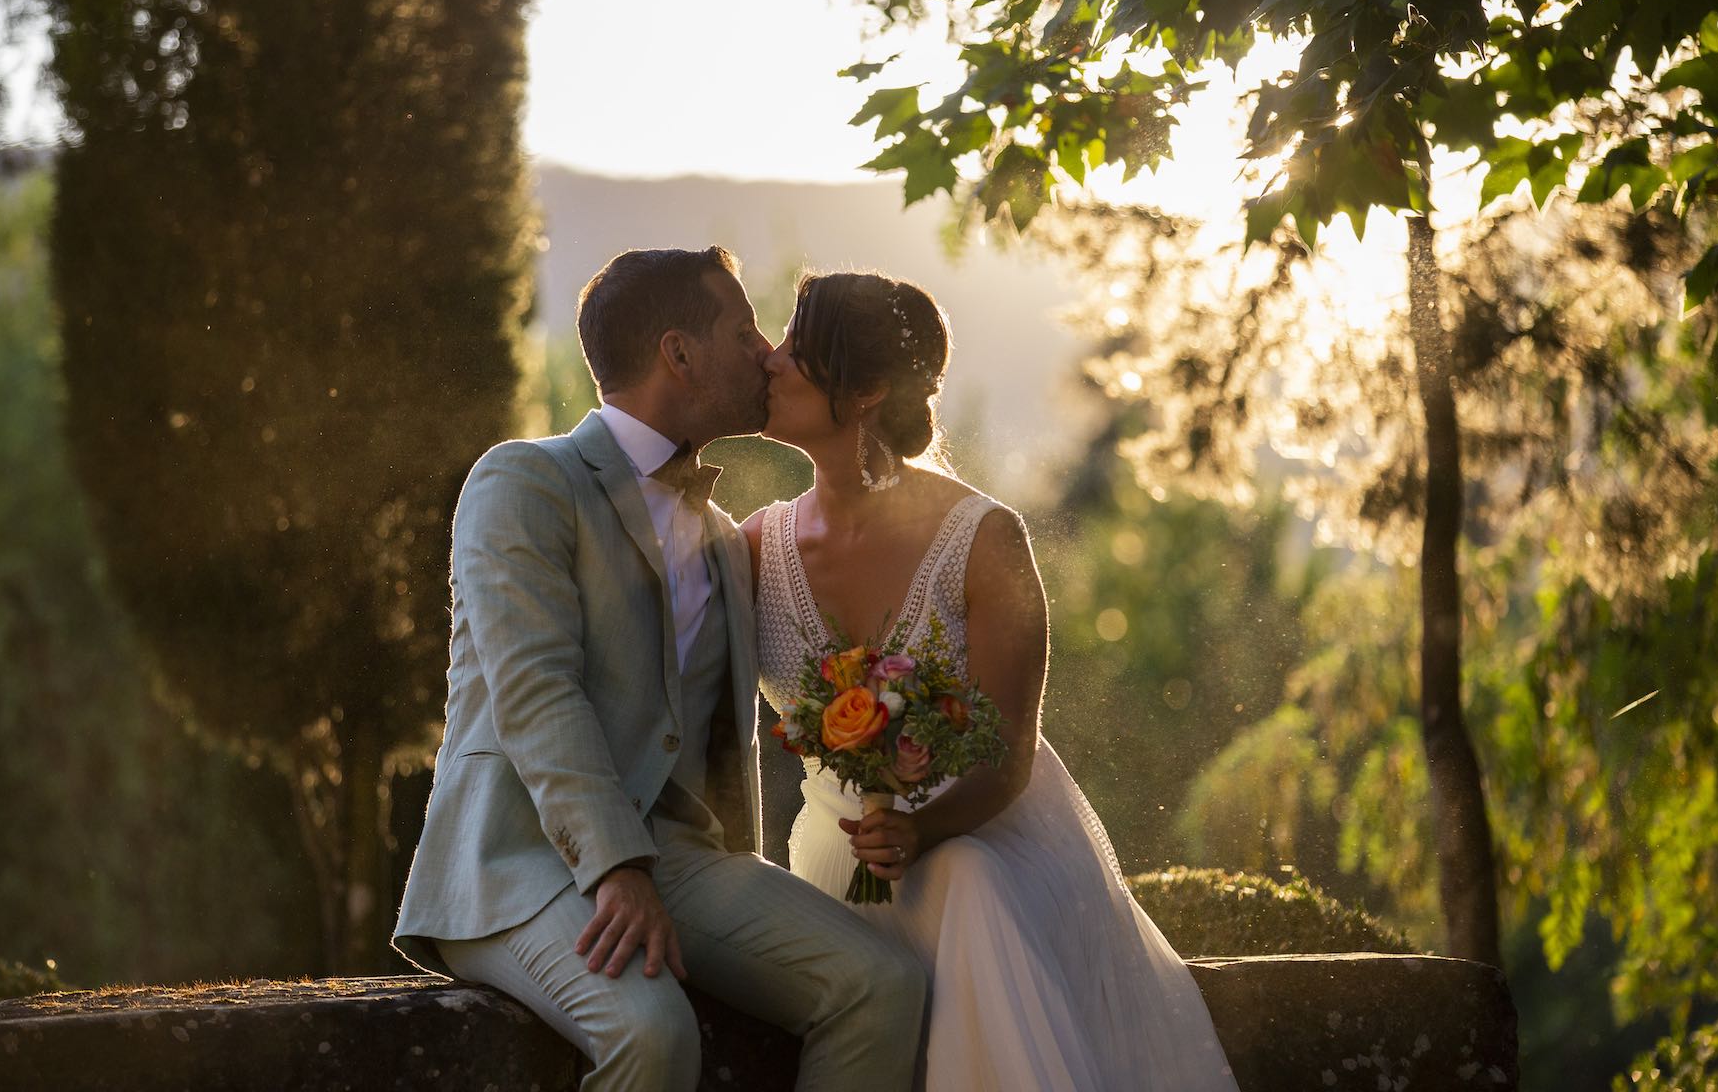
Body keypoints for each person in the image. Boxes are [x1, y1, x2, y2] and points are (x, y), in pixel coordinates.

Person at [394, 248, 926, 1092]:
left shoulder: (721, 533)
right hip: (522, 857)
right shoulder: (524, 481)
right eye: (744, 330)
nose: (766, 352)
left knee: (885, 985)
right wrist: (616, 868)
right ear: (679, 354)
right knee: (652, 1034)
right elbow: (536, 691)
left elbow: (725, 738)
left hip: (682, 861)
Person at [747, 271, 1242, 1091]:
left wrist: (920, 832)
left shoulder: (983, 540)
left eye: (799, 350)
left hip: (988, 843)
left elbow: (1008, 757)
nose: (772, 360)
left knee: (967, 886)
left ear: (866, 390)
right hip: (839, 853)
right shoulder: (756, 546)